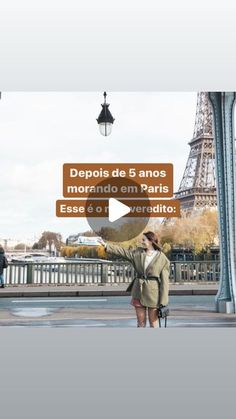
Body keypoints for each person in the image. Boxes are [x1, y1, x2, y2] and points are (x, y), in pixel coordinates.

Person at [99, 231, 170, 328]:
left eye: (144, 239)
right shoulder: (137, 253)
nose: (141, 241)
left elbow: (165, 283)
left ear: (150, 241)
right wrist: (107, 245)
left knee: (154, 323)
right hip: (138, 292)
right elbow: (123, 252)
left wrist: (163, 301)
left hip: (154, 294)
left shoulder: (162, 258)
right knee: (140, 323)